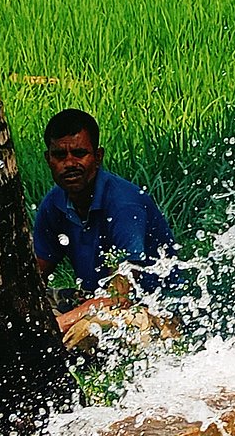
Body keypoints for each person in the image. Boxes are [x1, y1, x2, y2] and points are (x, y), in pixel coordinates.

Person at [32, 108, 176, 333]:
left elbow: (120, 296)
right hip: (94, 298)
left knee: (88, 329)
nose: (69, 163)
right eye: (60, 155)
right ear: (48, 159)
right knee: (16, 312)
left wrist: (58, 324)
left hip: (152, 309)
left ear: (98, 157)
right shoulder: (54, 203)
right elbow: (35, 274)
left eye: (79, 154)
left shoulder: (123, 206)